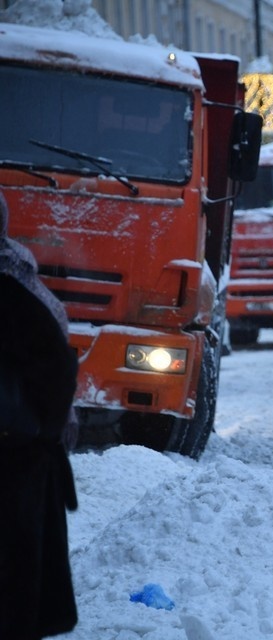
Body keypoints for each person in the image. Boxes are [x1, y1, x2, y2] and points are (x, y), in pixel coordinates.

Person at [0, 191, 80, 638]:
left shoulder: (14, 291)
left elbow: (54, 371)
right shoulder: (25, 287)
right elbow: (58, 372)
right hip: (20, 458)